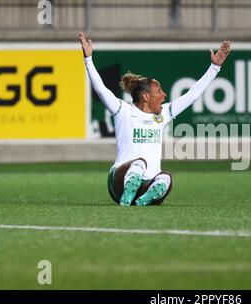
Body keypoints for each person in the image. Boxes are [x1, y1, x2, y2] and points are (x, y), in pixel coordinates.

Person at [79, 32, 231, 207]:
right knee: (139, 163)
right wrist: (88, 60)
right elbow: (100, 89)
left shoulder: (164, 113)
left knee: (166, 178)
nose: (164, 95)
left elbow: (192, 94)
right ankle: (127, 196)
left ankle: (143, 200)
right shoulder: (123, 111)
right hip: (118, 182)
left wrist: (215, 68)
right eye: (159, 91)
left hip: (146, 184)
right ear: (145, 97)